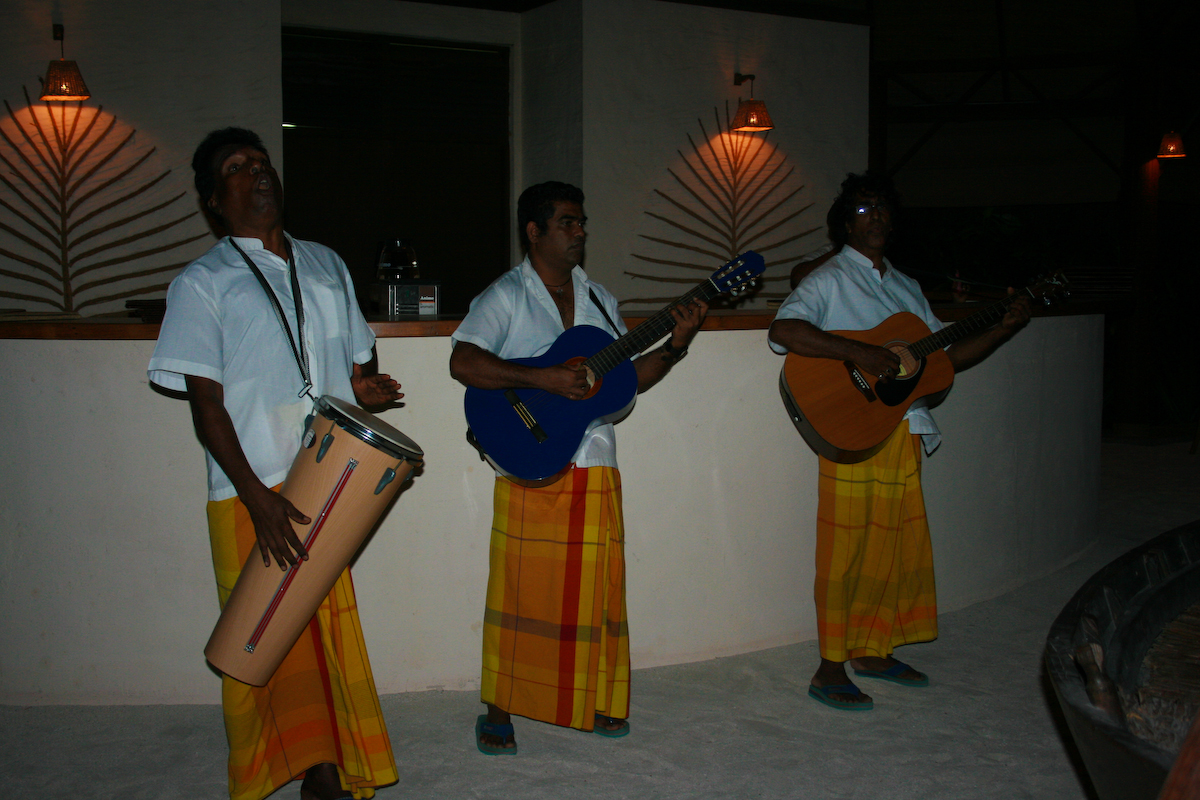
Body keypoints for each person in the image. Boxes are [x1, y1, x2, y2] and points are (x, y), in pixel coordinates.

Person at [148, 127, 403, 800]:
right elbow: (206, 404)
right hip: (253, 486)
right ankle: (272, 767)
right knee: (259, 639)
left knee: (323, 628)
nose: (256, 173)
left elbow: (351, 364)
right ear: (213, 201)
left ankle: (327, 766)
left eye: (261, 162)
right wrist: (257, 500)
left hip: (328, 475)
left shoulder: (325, 263)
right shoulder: (201, 285)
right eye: (236, 168)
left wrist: (362, 389)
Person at [449, 181, 707, 754]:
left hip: (594, 459)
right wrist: (543, 378)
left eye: (582, 222)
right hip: (530, 456)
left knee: (598, 590)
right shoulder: (506, 295)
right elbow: (464, 362)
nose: (580, 232)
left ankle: (593, 696)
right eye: (567, 222)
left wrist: (675, 345)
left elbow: (623, 379)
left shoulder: (599, 301)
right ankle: (500, 707)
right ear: (534, 232)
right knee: (523, 591)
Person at [767, 172, 1031, 711]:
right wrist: (858, 353)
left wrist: (1002, 328)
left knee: (891, 546)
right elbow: (784, 330)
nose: (877, 219)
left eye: (884, 210)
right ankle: (829, 666)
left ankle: (870, 648)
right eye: (864, 210)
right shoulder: (829, 278)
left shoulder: (908, 289)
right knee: (845, 550)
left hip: (902, 427)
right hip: (853, 430)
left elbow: (946, 357)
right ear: (844, 224)